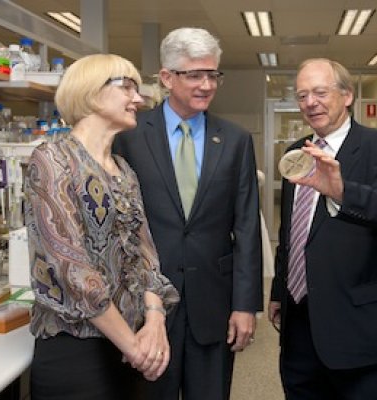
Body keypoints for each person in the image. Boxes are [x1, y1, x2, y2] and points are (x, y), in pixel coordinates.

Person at [113, 27, 263, 400]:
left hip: (213, 305)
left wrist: (246, 305)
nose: (206, 85)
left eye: (212, 74)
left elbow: (246, 227)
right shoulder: (129, 137)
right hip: (146, 309)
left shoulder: (236, 140)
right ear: (166, 77)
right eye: (194, 74)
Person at [24, 53, 179, 400]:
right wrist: (135, 346)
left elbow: (147, 257)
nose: (138, 99)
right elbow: (72, 269)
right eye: (127, 87)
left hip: (128, 350)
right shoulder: (52, 160)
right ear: (92, 92)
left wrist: (154, 322)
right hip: (76, 353)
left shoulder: (123, 170)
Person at [269, 58, 377, 400]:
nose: (310, 102)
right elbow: (290, 232)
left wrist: (342, 192)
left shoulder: (373, 147)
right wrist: (278, 292)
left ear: (347, 96)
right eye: (302, 95)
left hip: (356, 328)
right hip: (298, 321)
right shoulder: (295, 152)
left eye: (319, 92)